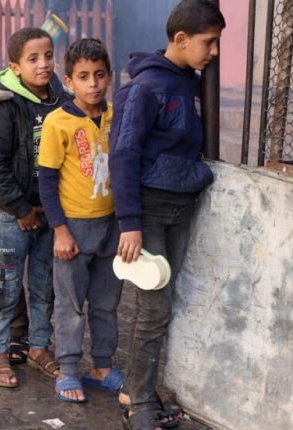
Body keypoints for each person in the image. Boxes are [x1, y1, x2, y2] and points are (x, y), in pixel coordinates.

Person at [109, 1, 224, 428]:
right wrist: (130, 223)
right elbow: (123, 154)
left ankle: (135, 388)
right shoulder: (144, 89)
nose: (214, 52)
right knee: (152, 307)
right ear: (180, 39)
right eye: (208, 42)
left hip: (181, 206)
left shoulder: (191, 82)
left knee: (161, 304)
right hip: (150, 210)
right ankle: (137, 402)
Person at [0, 27, 67, 388]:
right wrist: (19, 208)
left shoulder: (61, 99)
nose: (43, 64)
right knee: (7, 284)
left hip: (52, 211)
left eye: (48, 56)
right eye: (33, 59)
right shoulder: (3, 104)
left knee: (45, 284)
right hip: (17, 215)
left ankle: (39, 347)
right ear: (15, 67)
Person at [38, 37, 121, 403]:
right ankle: (68, 369)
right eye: (83, 77)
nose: (93, 84)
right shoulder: (57, 123)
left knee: (106, 303)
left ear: (110, 76)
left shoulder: (117, 116)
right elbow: (46, 181)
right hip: (72, 228)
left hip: (112, 226)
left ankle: (102, 366)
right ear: (69, 81)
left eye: (99, 75)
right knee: (70, 304)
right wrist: (59, 231)